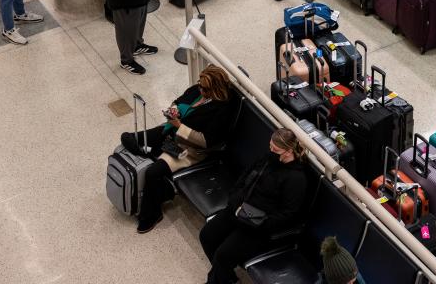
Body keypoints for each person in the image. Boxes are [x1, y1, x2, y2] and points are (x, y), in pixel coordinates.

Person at [120, 65, 233, 233]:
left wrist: (179, 126)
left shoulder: (222, 110)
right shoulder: (196, 90)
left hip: (189, 149)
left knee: (153, 172)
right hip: (170, 131)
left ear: (215, 89)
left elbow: (205, 141)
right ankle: (150, 152)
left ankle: (152, 214)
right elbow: (179, 101)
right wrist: (174, 109)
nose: (200, 89)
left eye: (204, 87)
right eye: (199, 84)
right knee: (127, 137)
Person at [199, 128, 308, 284]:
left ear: (288, 151)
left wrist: (261, 223)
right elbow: (244, 178)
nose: (271, 151)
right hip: (237, 209)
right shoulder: (267, 158)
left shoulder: (296, 179)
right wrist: (235, 200)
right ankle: (226, 276)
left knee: (223, 255)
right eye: (270, 146)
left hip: (257, 225)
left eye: (275, 149)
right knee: (207, 235)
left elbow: (288, 214)